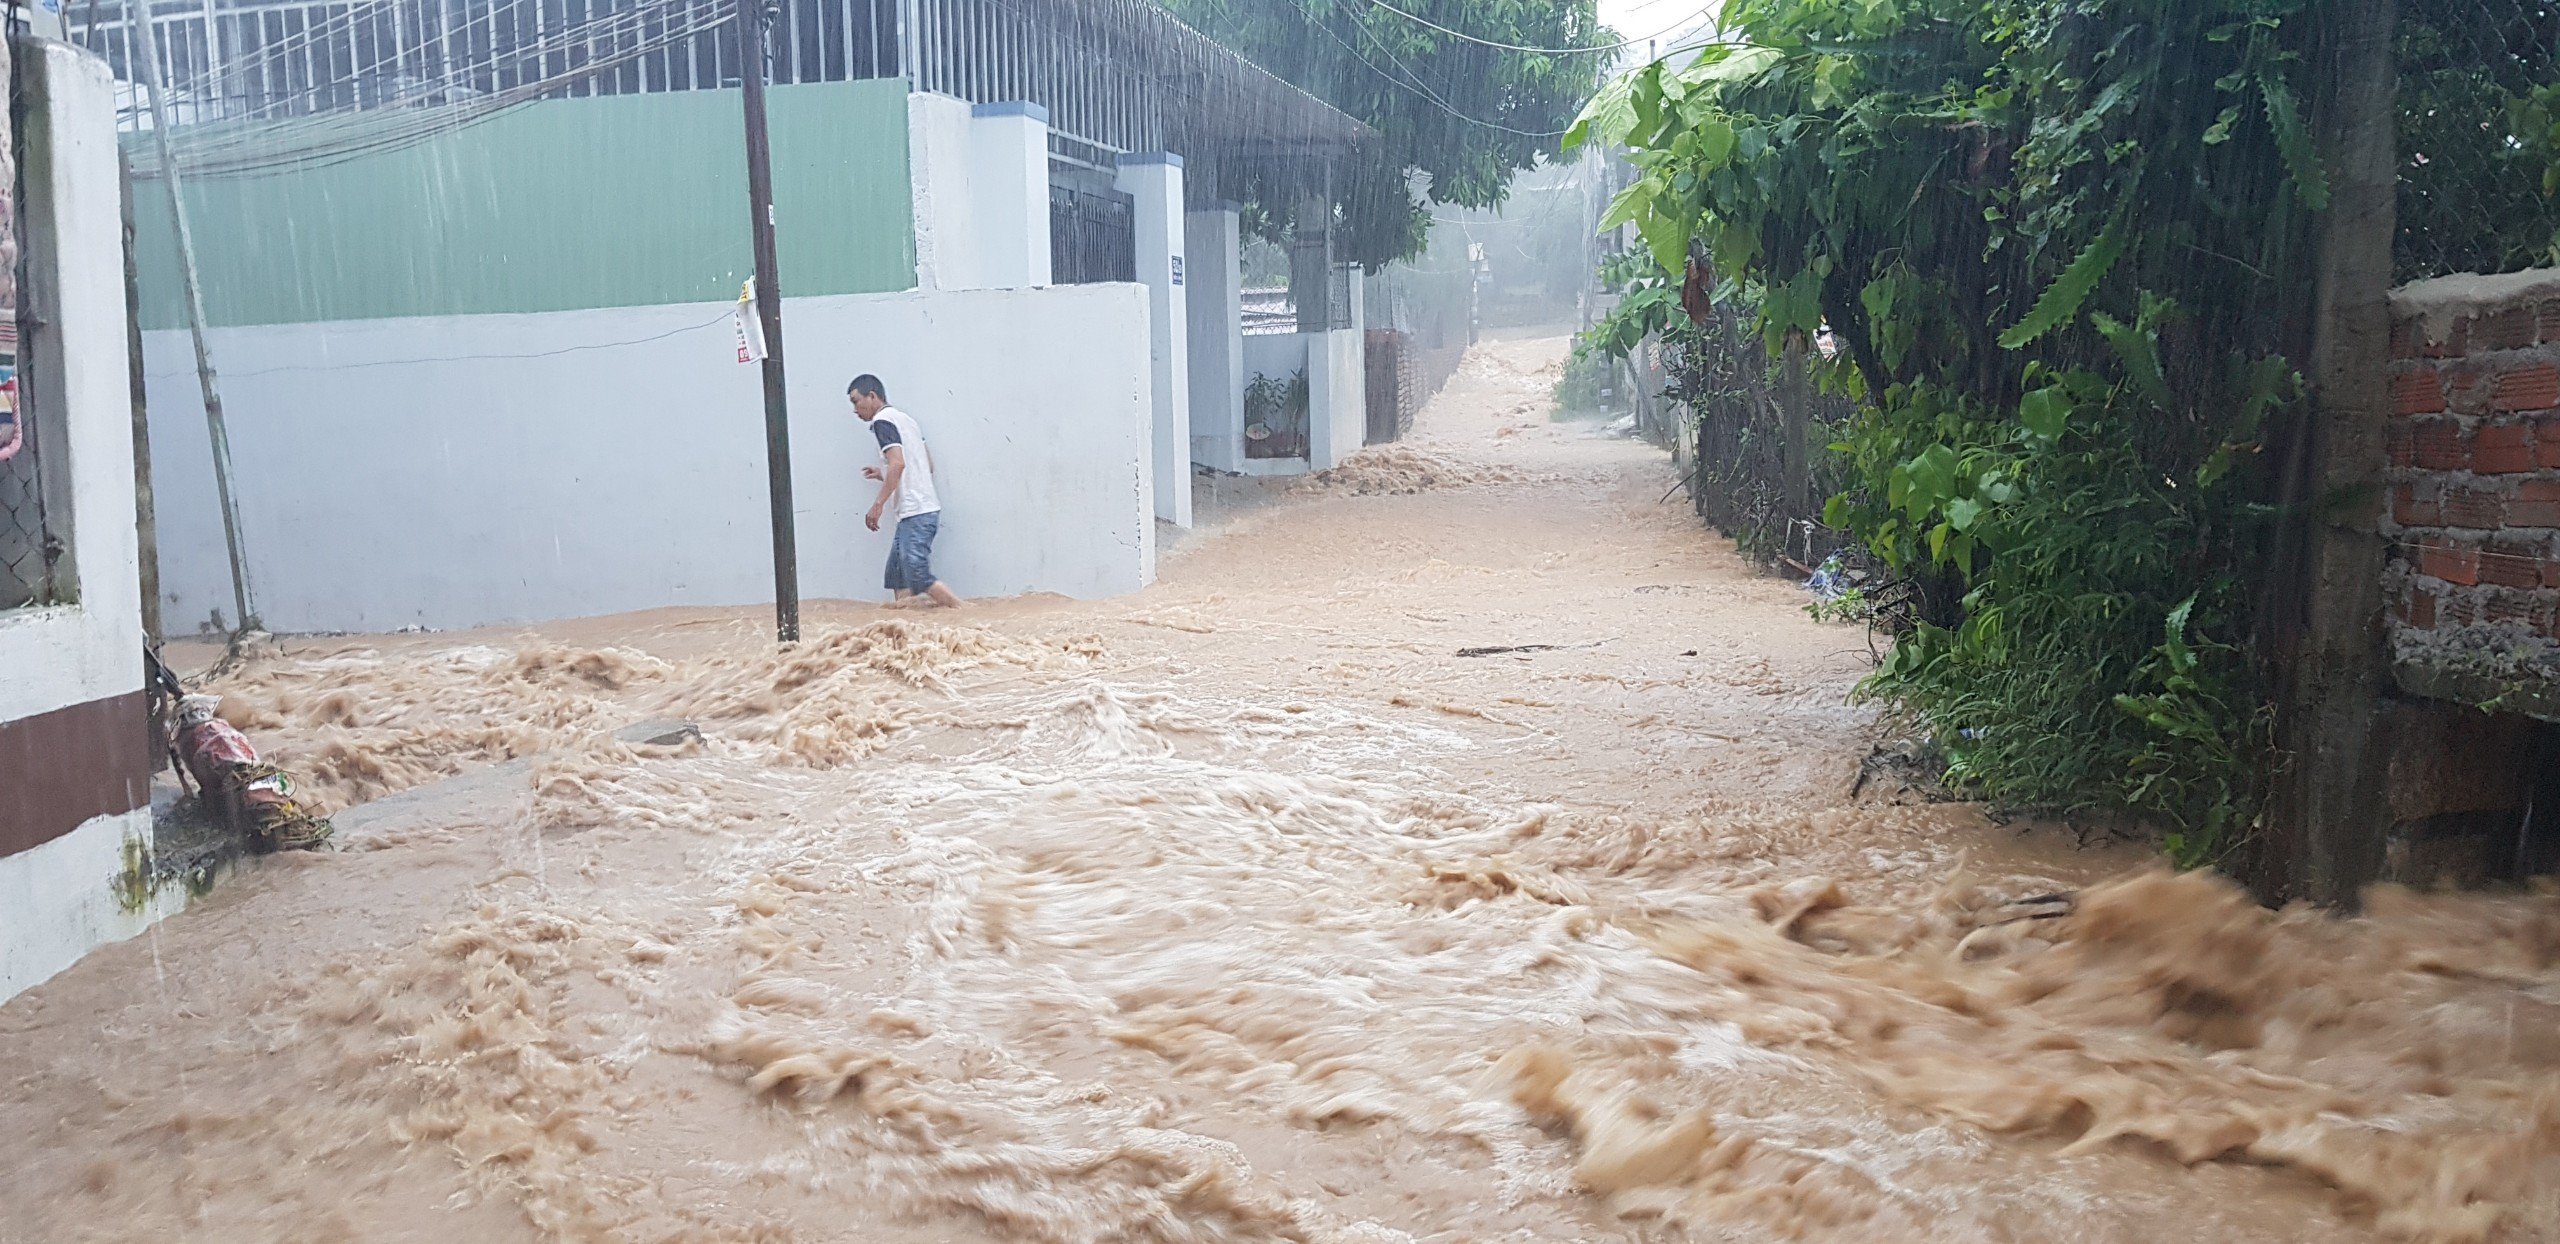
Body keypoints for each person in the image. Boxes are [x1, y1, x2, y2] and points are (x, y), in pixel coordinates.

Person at [849, 374, 963, 609]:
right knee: (897, 576)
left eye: (856, 401)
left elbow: (898, 464)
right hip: (919, 511)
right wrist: (883, 471)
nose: (854, 409)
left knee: (918, 575)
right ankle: (905, 632)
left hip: (916, 513)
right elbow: (925, 464)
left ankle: (965, 614)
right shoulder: (907, 420)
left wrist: (877, 505)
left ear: (872, 396)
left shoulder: (882, 422)